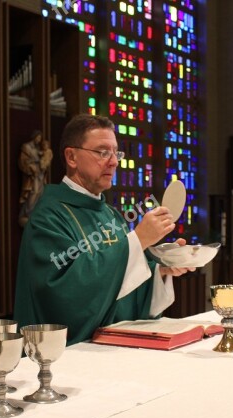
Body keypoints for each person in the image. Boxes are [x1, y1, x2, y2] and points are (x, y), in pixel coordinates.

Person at [14, 114, 193, 344]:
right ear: (71, 157)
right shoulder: (48, 217)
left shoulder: (111, 215)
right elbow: (63, 291)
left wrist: (160, 271)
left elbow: (121, 288)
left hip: (115, 352)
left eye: (115, 152)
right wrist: (138, 240)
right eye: (102, 152)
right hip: (67, 357)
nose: (114, 162)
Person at [18, 132, 53, 227]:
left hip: (40, 174)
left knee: (40, 193)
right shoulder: (26, 147)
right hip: (32, 176)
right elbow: (23, 162)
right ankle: (28, 213)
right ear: (34, 137)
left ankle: (36, 213)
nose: (38, 140)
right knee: (33, 192)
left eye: (40, 138)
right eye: (37, 138)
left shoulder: (39, 149)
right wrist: (31, 168)